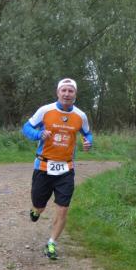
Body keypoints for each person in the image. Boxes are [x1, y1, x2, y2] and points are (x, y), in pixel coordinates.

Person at [22, 78, 93, 260]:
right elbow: (26, 127)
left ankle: (51, 243)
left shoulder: (80, 116)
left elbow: (87, 134)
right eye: (64, 90)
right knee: (39, 206)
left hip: (66, 169)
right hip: (43, 166)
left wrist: (88, 142)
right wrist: (38, 134)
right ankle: (35, 211)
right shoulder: (45, 110)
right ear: (58, 92)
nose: (67, 94)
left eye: (71, 91)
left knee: (63, 209)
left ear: (75, 94)